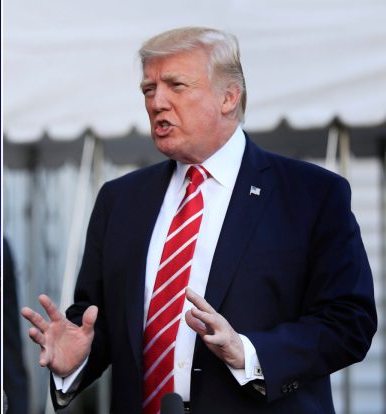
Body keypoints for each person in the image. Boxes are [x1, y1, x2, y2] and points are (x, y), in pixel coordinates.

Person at [21, 27, 376, 414]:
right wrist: (78, 359)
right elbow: (96, 322)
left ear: (228, 97)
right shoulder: (119, 200)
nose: (157, 102)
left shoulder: (311, 194)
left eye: (176, 85)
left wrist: (251, 353)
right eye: (148, 89)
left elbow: (349, 322)